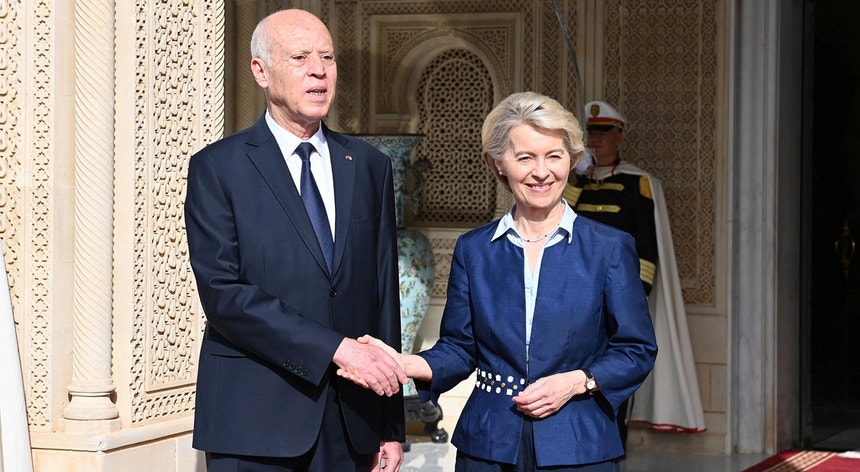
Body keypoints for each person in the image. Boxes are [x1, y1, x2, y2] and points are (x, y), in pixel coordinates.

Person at [342, 91, 658, 471]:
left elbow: (636, 349)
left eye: (554, 156)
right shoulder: (474, 249)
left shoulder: (609, 247)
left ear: (572, 160)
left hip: (579, 447)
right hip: (488, 446)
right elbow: (460, 349)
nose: (541, 172)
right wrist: (404, 363)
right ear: (498, 164)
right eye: (525, 157)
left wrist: (578, 381)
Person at [184, 9, 407, 472]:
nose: (319, 71)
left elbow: (384, 294)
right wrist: (336, 349)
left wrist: (389, 423)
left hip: (353, 420)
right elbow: (224, 295)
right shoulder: (218, 168)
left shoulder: (369, 166)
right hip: (254, 422)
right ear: (261, 71)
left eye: (327, 57)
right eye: (300, 57)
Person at [564, 101, 706, 439]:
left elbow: (646, 242)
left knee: (613, 366)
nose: (596, 140)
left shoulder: (637, 182)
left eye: (603, 133)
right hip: (574, 290)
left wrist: (637, 293)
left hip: (617, 290)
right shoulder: (577, 181)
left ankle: (615, 437)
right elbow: (557, 218)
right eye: (592, 133)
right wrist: (577, 177)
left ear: (619, 137)